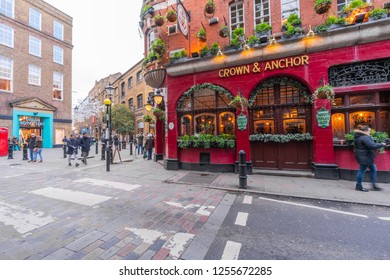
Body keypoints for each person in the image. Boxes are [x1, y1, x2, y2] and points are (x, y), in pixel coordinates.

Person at [354, 125, 387, 192]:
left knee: (373, 169)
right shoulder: (364, 137)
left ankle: (374, 185)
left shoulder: (359, 137)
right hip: (365, 157)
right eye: (369, 130)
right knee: (361, 171)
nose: (370, 132)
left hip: (366, 157)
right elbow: (372, 146)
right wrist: (382, 144)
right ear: (365, 131)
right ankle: (358, 186)